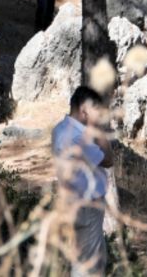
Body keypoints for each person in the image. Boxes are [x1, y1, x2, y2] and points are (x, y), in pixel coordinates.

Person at [52, 87, 114, 277]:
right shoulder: (77, 137)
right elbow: (108, 159)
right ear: (84, 110)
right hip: (87, 206)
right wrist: (100, 130)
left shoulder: (60, 129)